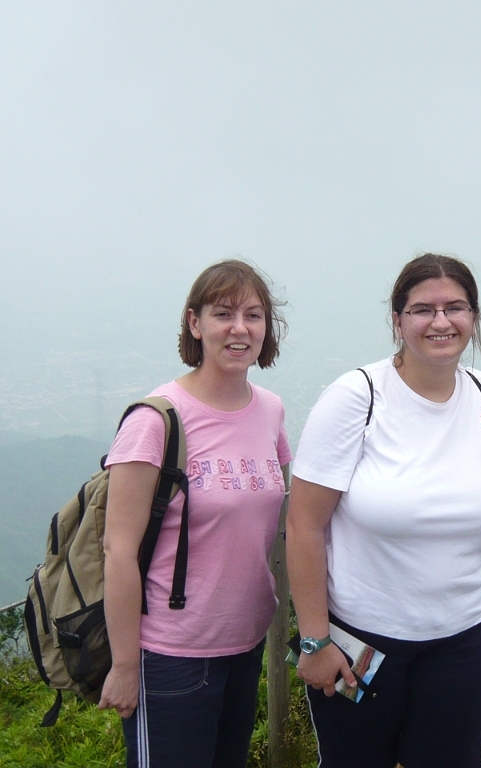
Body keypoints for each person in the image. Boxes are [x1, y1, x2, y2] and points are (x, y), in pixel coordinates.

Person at [287, 253, 481, 768]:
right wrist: (315, 639)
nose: (441, 321)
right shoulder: (355, 398)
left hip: (469, 632)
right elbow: (304, 524)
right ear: (397, 319)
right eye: (422, 309)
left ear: (474, 317)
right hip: (363, 638)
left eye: (456, 307)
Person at [97, 259, 291, 768]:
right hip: (169, 655)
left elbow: (285, 513)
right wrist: (123, 665)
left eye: (253, 315)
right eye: (223, 313)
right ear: (194, 323)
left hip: (246, 641)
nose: (239, 328)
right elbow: (118, 550)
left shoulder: (270, 409)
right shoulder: (157, 419)